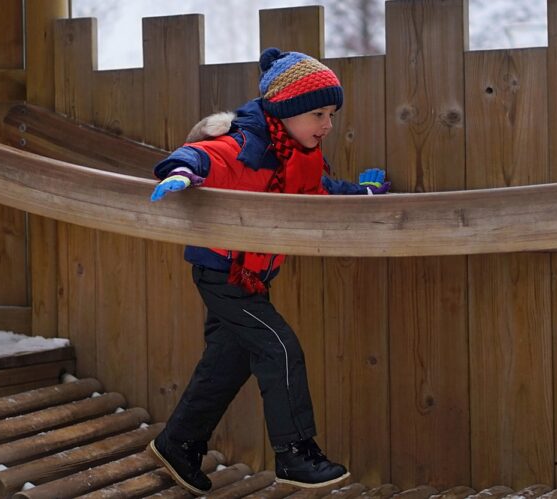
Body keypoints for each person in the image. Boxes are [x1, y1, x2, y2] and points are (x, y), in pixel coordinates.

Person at [147, 47, 390, 496]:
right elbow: (204, 156)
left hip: (251, 278)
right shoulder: (248, 144)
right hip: (222, 273)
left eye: (331, 114)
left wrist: (366, 193)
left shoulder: (298, 154)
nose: (327, 124)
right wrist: (181, 172)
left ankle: (178, 443)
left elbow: (319, 192)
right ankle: (295, 453)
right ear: (286, 110)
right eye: (318, 113)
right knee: (280, 348)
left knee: (229, 362)